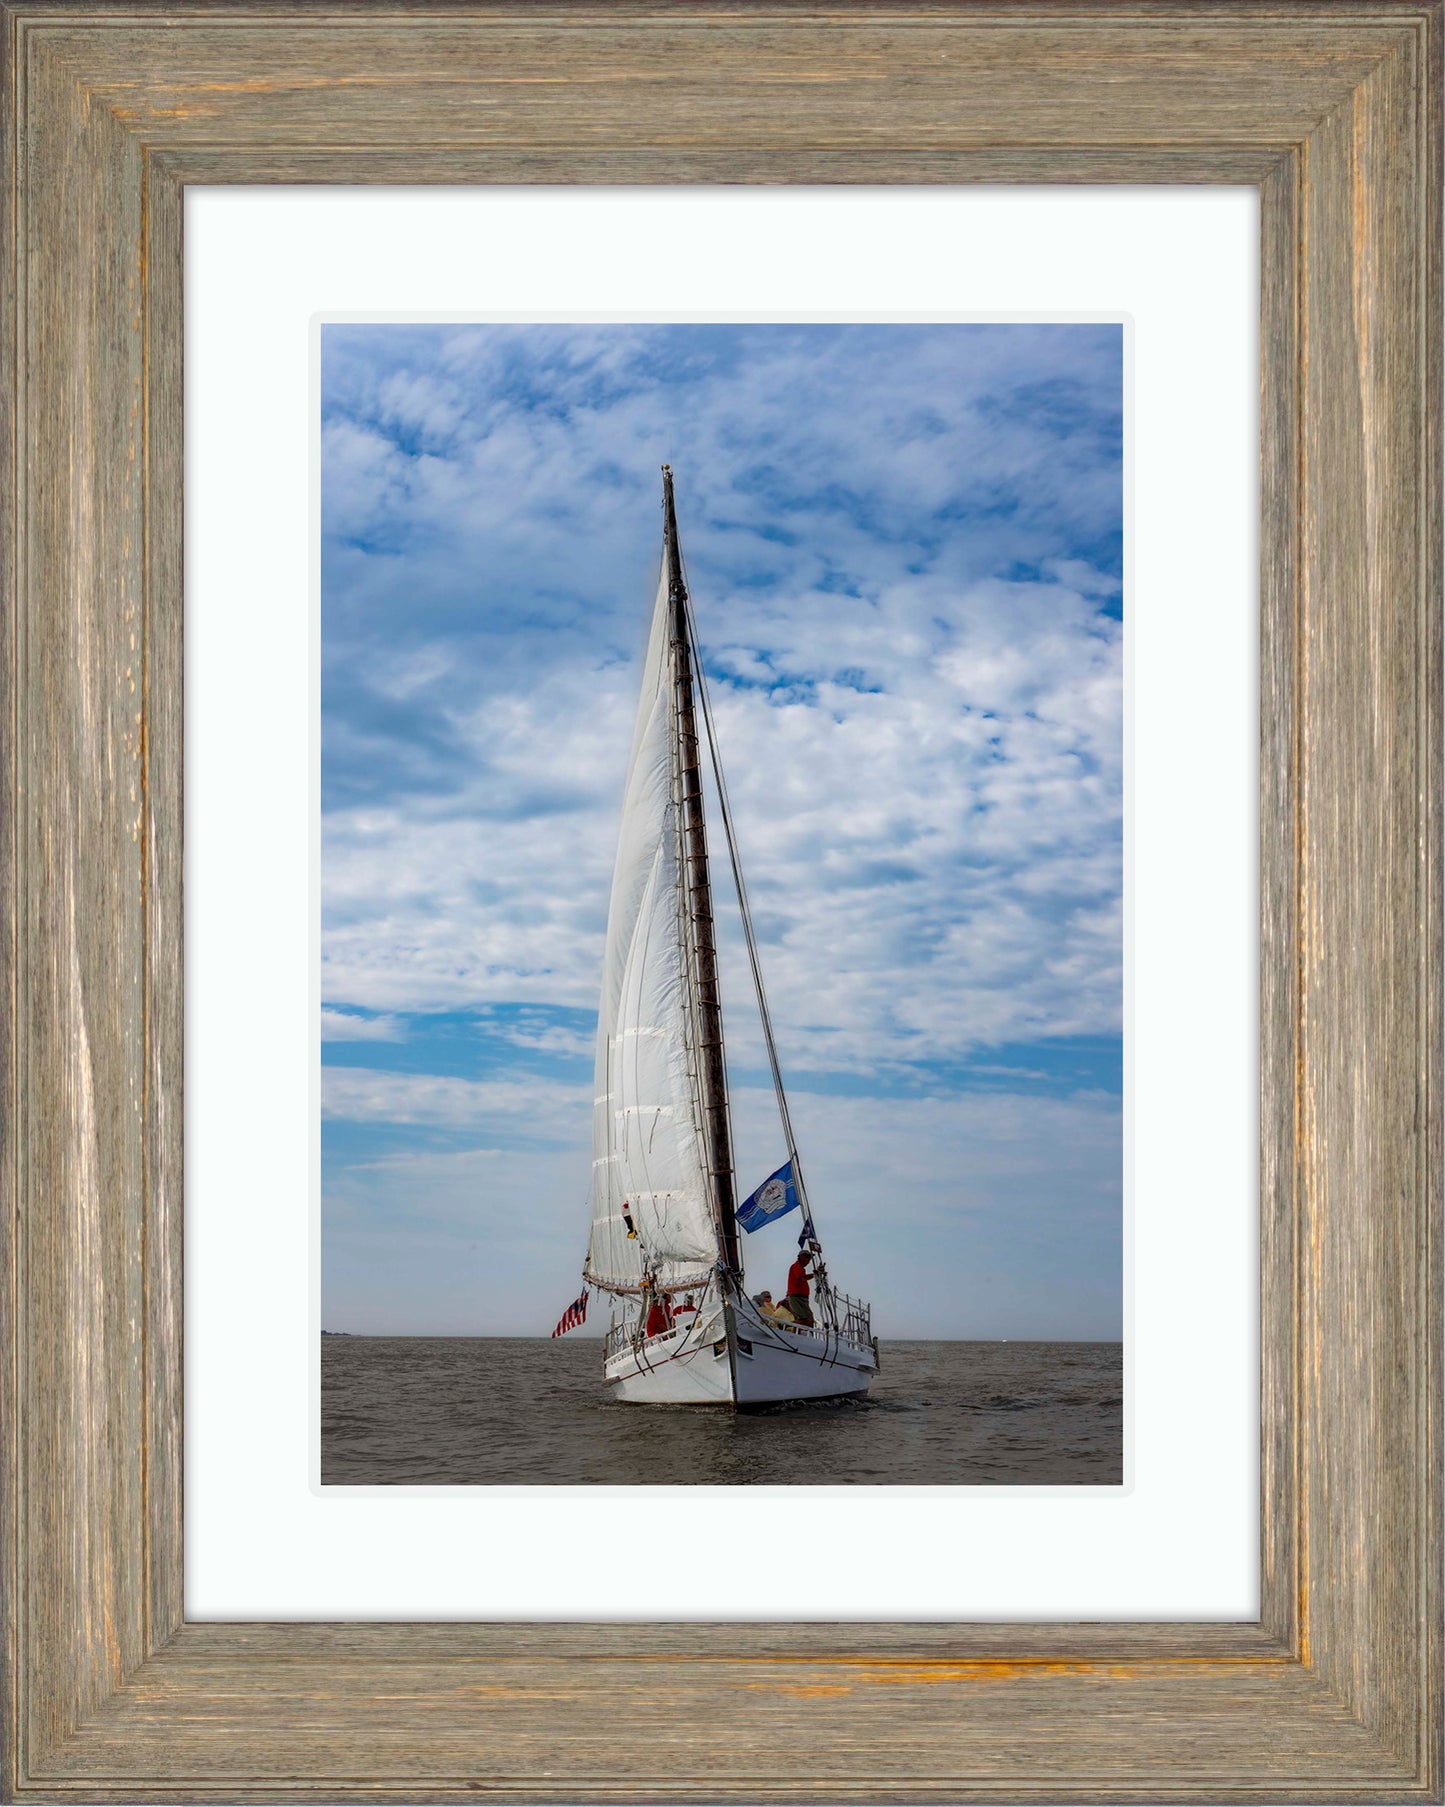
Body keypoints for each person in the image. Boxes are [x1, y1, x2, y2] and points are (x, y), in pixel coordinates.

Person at [782, 1250, 816, 1327]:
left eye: (810, 1258)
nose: (809, 1260)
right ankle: (786, 1326)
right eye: (807, 1257)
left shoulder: (800, 1268)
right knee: (805, 1320)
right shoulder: (796, 1266)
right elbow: (802, 1278)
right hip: (797, 1297)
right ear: (801, 1257)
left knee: (809, 1320)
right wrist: (814, 1274)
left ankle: (796, 1331)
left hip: (802, 1298)